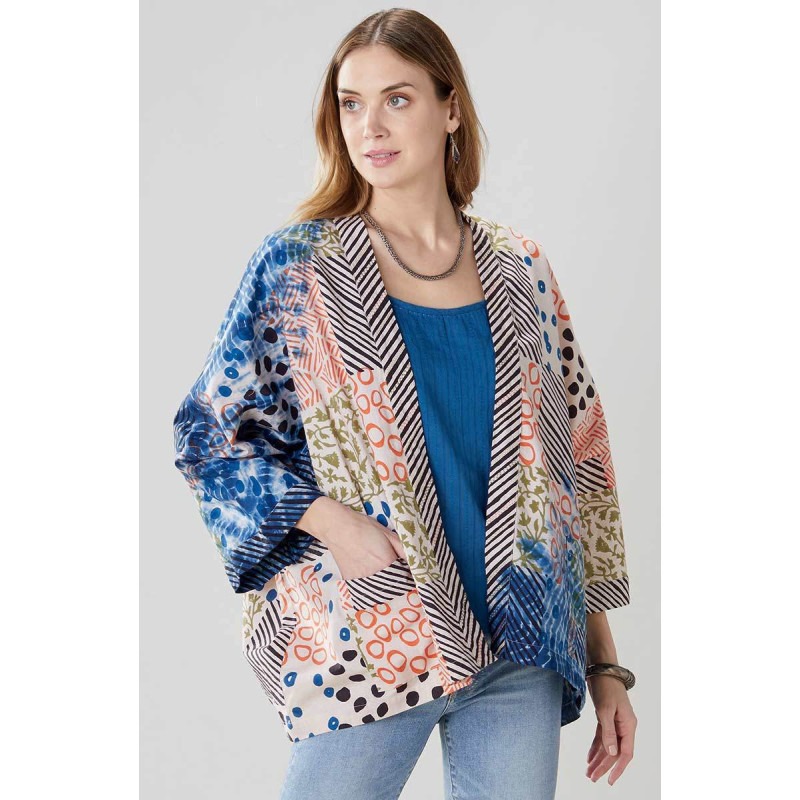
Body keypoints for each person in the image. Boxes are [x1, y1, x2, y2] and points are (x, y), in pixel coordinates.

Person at [173, 9, 637, 799]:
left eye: (397, 98)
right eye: (351, 103)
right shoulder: (301, 268)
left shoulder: (521, 269)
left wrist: (604, 664)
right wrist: (338, 525)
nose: (371, 126)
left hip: (522, 644)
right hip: (377, 632)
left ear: (450, 108)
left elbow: (579, 465)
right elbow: (211, 436)